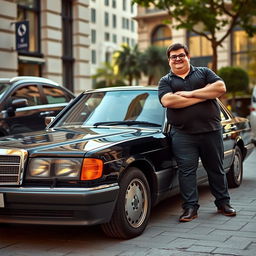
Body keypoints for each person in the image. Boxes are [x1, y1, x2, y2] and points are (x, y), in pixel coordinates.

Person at [158, 43, 236, 222]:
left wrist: (187, 94)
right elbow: (169, 101)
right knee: (187, 172)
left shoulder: (204, 72)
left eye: (181, 55)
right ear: (169, 60)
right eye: (173, 56)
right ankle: (190, 208)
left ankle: (223, 203)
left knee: (216, 168)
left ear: (188, 56)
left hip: (211, 131)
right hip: (183, 134)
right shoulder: (166, 81)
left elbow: (220, 88)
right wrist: (203, 96)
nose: (177, 59)